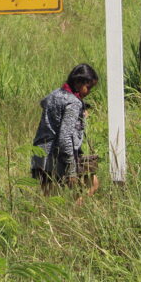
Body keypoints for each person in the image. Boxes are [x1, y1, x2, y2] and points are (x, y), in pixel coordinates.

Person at [30, 64, 99, 194]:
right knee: (91, 185)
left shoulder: (55, 94)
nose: (89, 92)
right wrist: (71, 170)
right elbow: (65, 137)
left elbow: (45, 103)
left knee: (50, 198)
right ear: (78, 82)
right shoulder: (73, 103)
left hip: (40, 155)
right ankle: (77, 207)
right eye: (88, 87)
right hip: (56, 158)